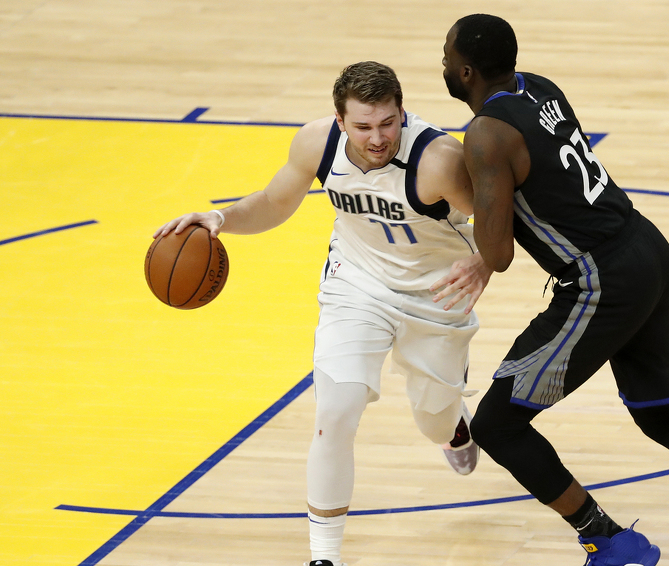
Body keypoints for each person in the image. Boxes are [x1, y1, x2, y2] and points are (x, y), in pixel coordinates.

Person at [441, 13, 669, 566]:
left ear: (466, 71)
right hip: (646, 247)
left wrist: (459, 205)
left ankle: (611, 541)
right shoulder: (540, 87)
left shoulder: (486, 135)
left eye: (446, 56)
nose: (442, 63)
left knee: (496, 424)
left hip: (601, 280)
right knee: (659, 414)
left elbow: (498, 255)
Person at [154, 61, 492, 566]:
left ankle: (453, 428)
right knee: (334, 413)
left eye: (387, 123)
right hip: (356, 288)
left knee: (433, 421)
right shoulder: (318, 144)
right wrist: (219, 218)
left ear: (402, 112)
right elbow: (274, 202)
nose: (377, 138)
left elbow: (501, 218)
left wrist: (485, 260)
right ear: (339, 120)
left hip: (435, 297)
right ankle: (324, 556)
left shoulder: (440, 159)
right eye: (362, 126)